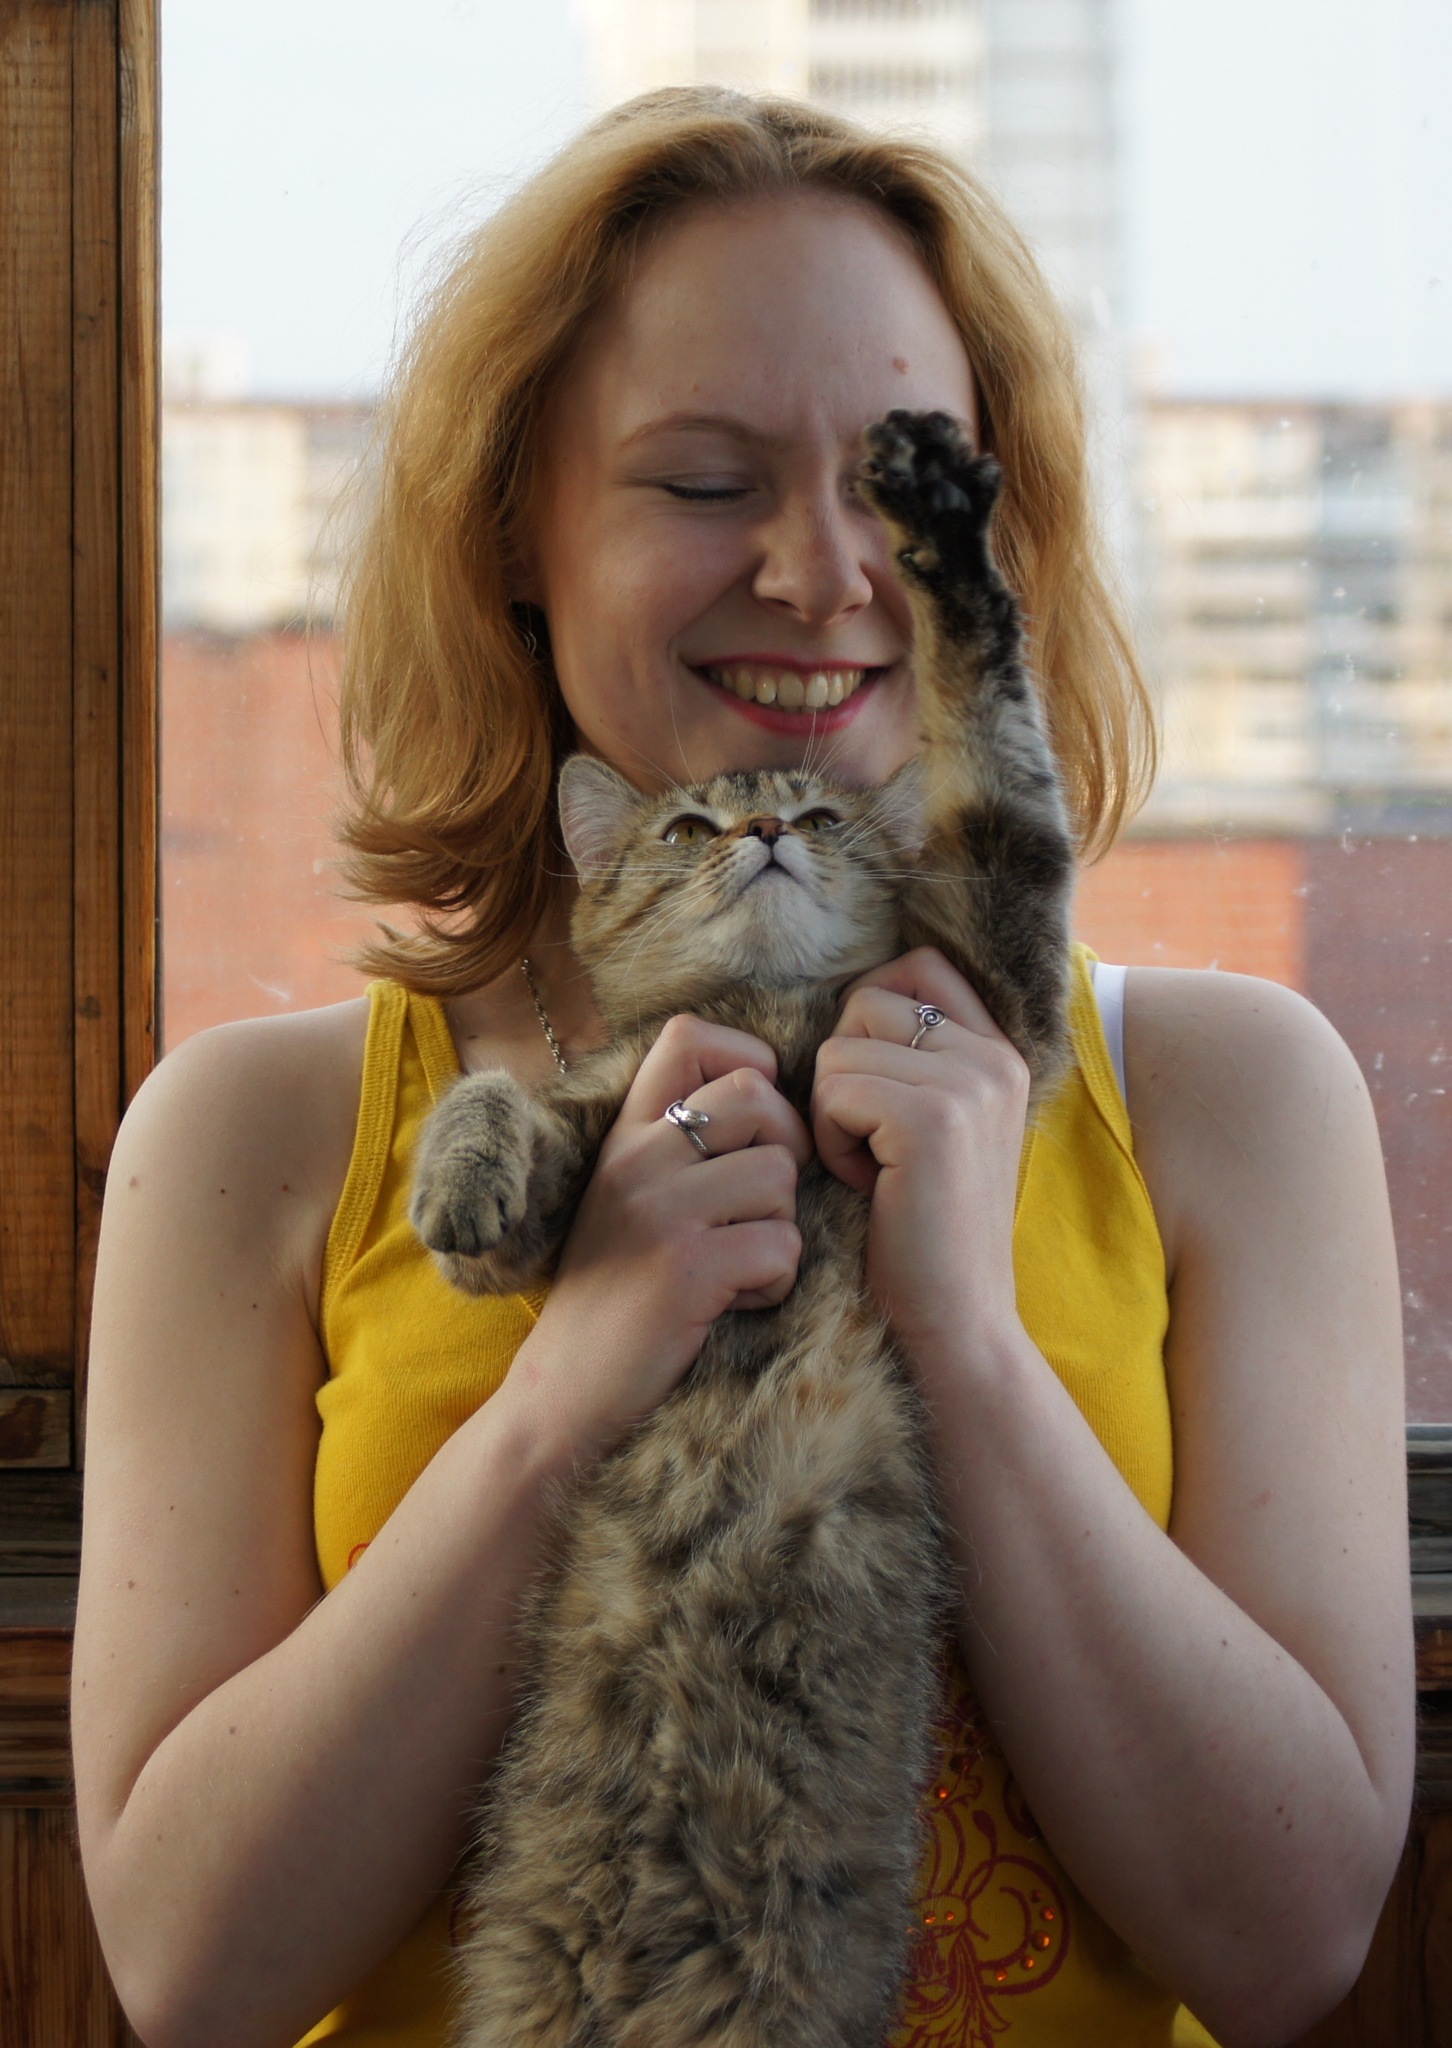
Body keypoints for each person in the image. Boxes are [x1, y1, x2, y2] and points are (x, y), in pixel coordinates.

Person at [72, 90, 1414, 2048]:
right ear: (512, 526)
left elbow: (1290, 1943)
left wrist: (968, 1340)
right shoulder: (254, 1135)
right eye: (705, 483)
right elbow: (191, 1970)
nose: (823, 570)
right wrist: (560, 1396)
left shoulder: (1234, 1098)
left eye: (906, 486)